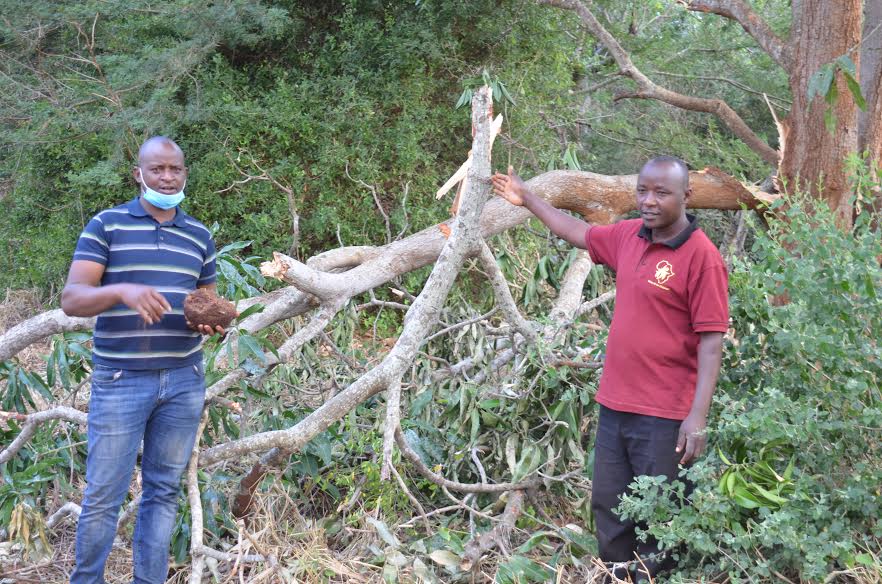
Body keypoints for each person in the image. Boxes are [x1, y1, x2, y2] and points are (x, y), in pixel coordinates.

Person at [492, 156, 727, 580]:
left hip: (666, 414)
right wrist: (527, 198)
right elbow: (578, 232)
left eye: (661, 193)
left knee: (661, 516)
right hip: (616, 405)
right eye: (642, 191)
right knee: (610, 505)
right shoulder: (628, 237)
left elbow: (712, 341)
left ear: (686, 196)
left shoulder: (701, 256)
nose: (649, 201)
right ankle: (616, 573)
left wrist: (697, 418)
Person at [62, 136, 225, 583]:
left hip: (183, 379)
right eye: (157, 170)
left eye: (175, 169)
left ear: (185, 173)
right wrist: (121, 291)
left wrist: (212, 322)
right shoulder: (107, 225)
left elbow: (204, 303)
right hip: (121, 379)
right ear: (139, 174)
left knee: (162, 492)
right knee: (103, 495)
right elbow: (72, 300)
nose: (167, 177)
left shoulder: (198, 235)